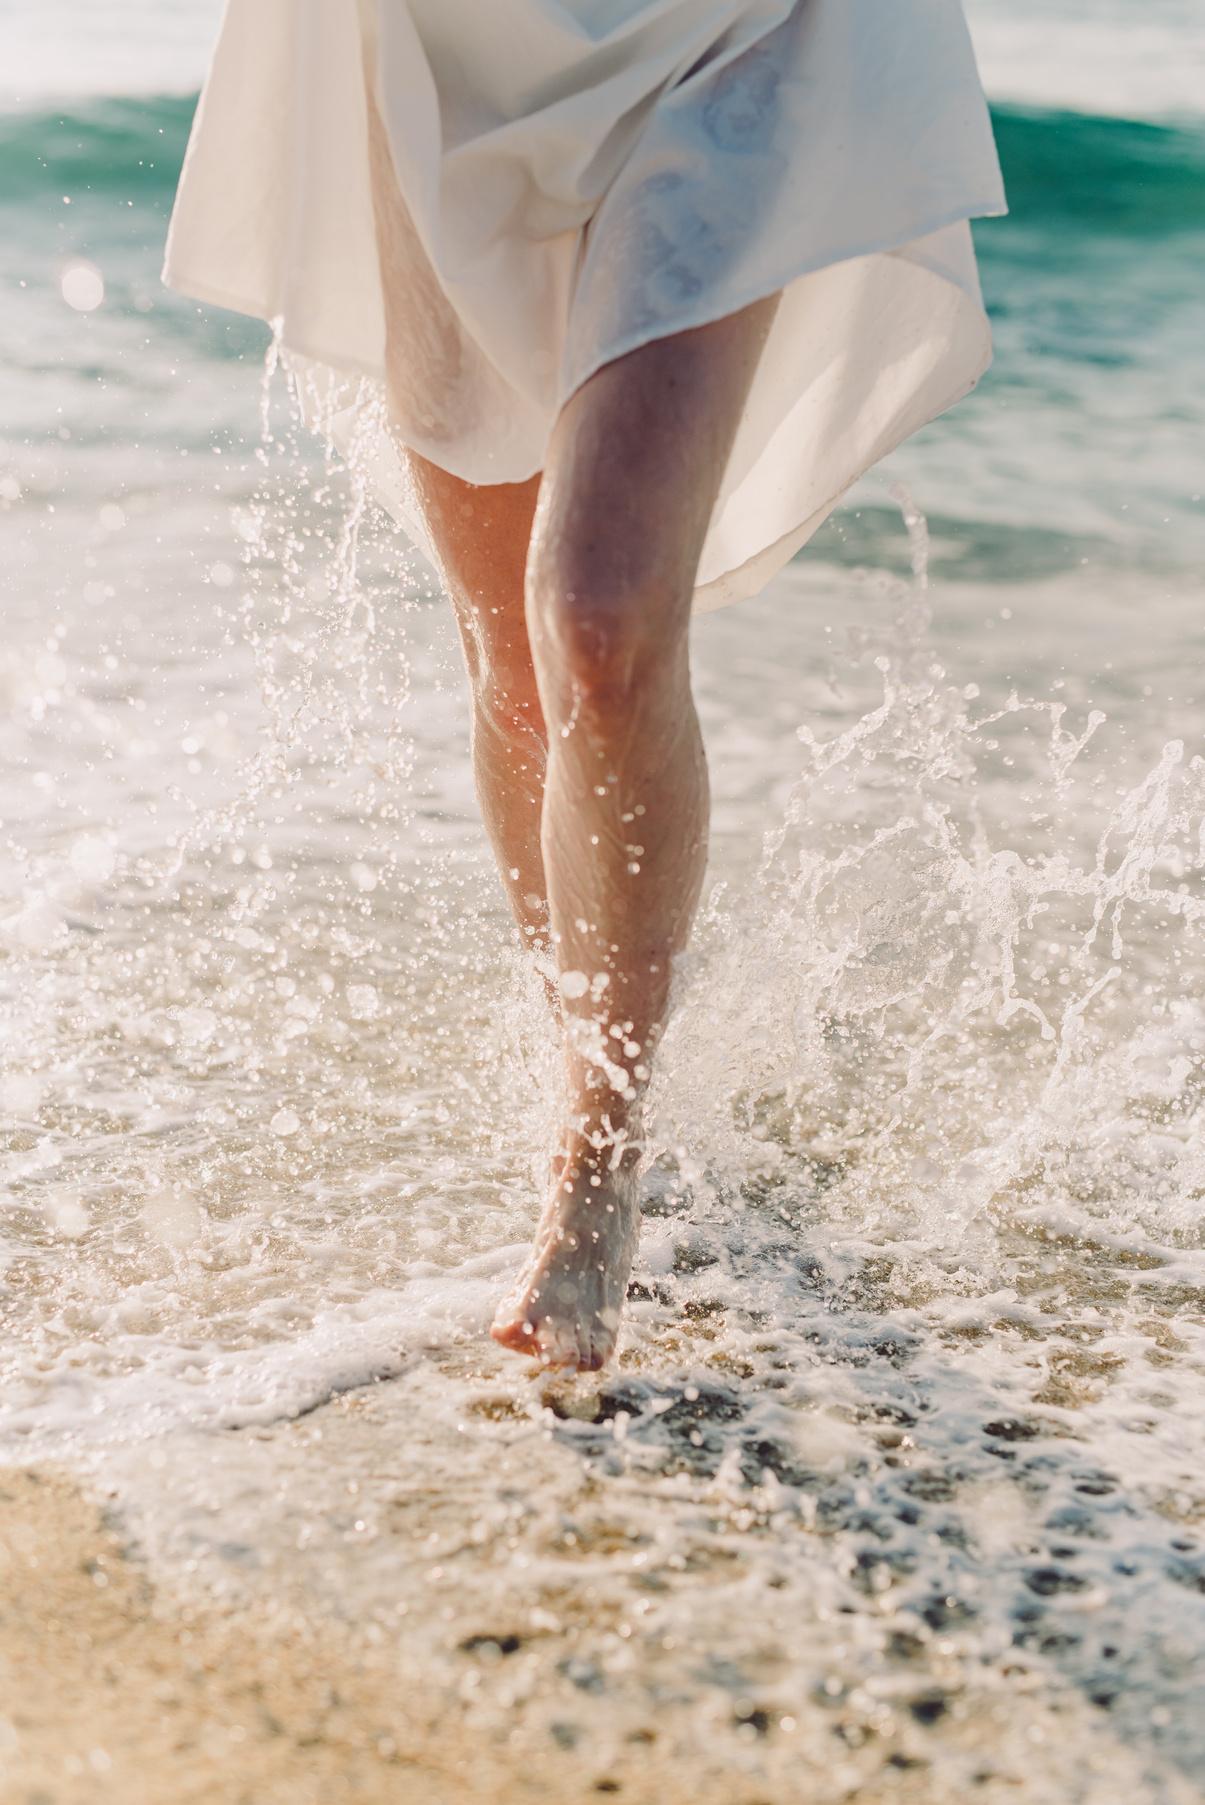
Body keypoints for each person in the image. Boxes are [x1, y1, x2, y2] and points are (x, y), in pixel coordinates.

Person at [164, 0, 1005, 1371]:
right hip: (444, 50)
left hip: (735, 29)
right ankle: (589, 1062)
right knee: (513, 670)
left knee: (599, 622)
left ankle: (595, 1166)